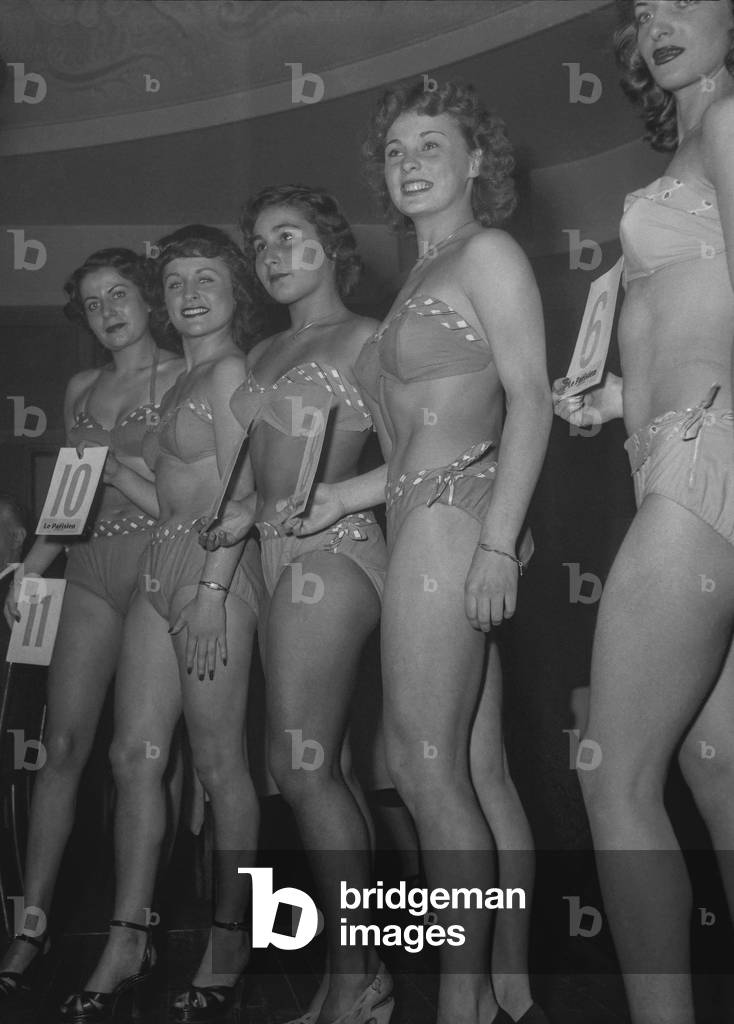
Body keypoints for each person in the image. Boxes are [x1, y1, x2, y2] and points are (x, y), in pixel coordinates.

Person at [266, 78, 549, 1024]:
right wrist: (338, 497)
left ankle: (460, 1006)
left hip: (456, 522)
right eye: (396, 150)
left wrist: (499, 543)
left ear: (477, 161)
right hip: (421, 512)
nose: (411, 162)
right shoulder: (417, 284)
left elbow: (531, 399)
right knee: (473, 770)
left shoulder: (489, 253)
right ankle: (506, 994)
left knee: (422, 768)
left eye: (433, 144)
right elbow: (415, 443)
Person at [553, 2, 734, 1021]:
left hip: (700, 452)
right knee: (711, 763)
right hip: (671, 447)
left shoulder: (722, 122)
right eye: (643, 8)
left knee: (611, 775)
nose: (659, 20)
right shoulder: (691, 142)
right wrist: (613, 396)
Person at [59, 226, 264, 1023]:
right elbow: (169, 497)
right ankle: (128, 935)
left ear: (233, 288)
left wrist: (212, 587)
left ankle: (231, 935)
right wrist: (111, 468)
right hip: (160, 563)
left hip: (214, 573)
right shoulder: (184, 383)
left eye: (204, 279)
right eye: (174, 282)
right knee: (132, 755)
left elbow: (243, 496)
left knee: (218, 767)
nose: (187, 295)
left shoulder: (232, 371)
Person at [199, 184, 392, 1024]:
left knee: (299, 767)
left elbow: (430, 453)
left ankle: (358, 979)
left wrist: (344, 497)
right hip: (275, 556)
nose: (274, 255)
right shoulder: (269, 351)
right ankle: (361, 972)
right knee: (328, 771)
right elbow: (256, 474)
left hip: (335, 553)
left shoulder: (367, 338)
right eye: (262, 244)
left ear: (333, 245)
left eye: (291, 238)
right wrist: (235, 516)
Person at [0, 249, 183, 1004]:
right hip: (86, 569)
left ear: (149, 300)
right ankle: (30, 928)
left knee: (134, 754)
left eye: (120, 295)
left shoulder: (186, 377)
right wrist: (26, 567)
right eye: (93, 301)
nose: (108, 311)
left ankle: (129, 938)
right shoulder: (81, 386)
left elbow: (183, 508)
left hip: (154, 564)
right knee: (61, 748)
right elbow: (69, 497)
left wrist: (114, 469)